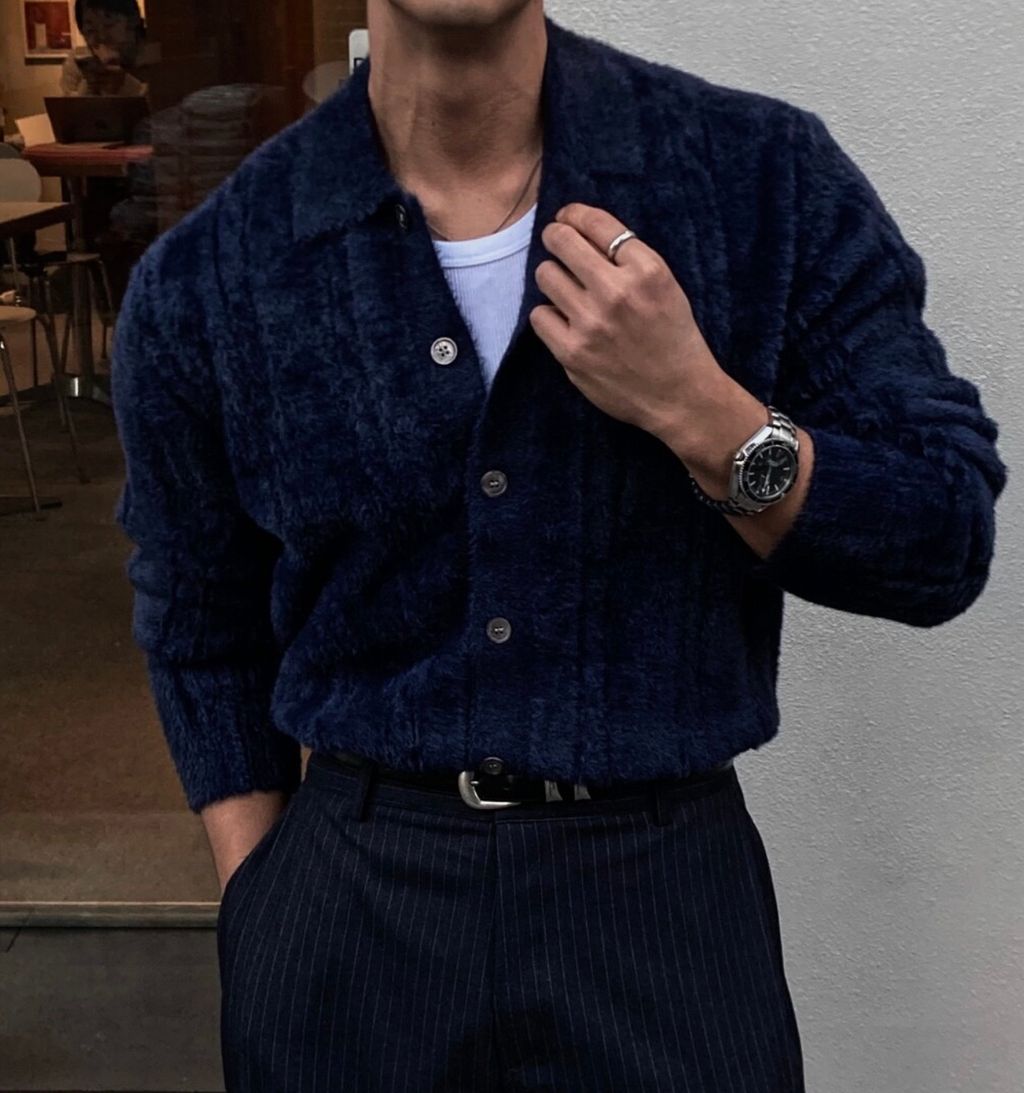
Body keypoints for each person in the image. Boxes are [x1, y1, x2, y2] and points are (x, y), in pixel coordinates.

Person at [109, 2, 1008, 1090]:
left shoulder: (757, 180)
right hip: (353, 912)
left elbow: (940, 536)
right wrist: (260, 902)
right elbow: (199, 618)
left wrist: (703, 411)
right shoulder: (215, 270)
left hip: (663, 901)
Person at [60, 0, 149, 98]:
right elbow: (71, 104)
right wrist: (90, 86)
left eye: (109, 25)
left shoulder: (154, 56)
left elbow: (156, 102)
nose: (102, 36)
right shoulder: (78, 63)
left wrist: (126, 85)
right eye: (91, 30)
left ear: (132, 22)